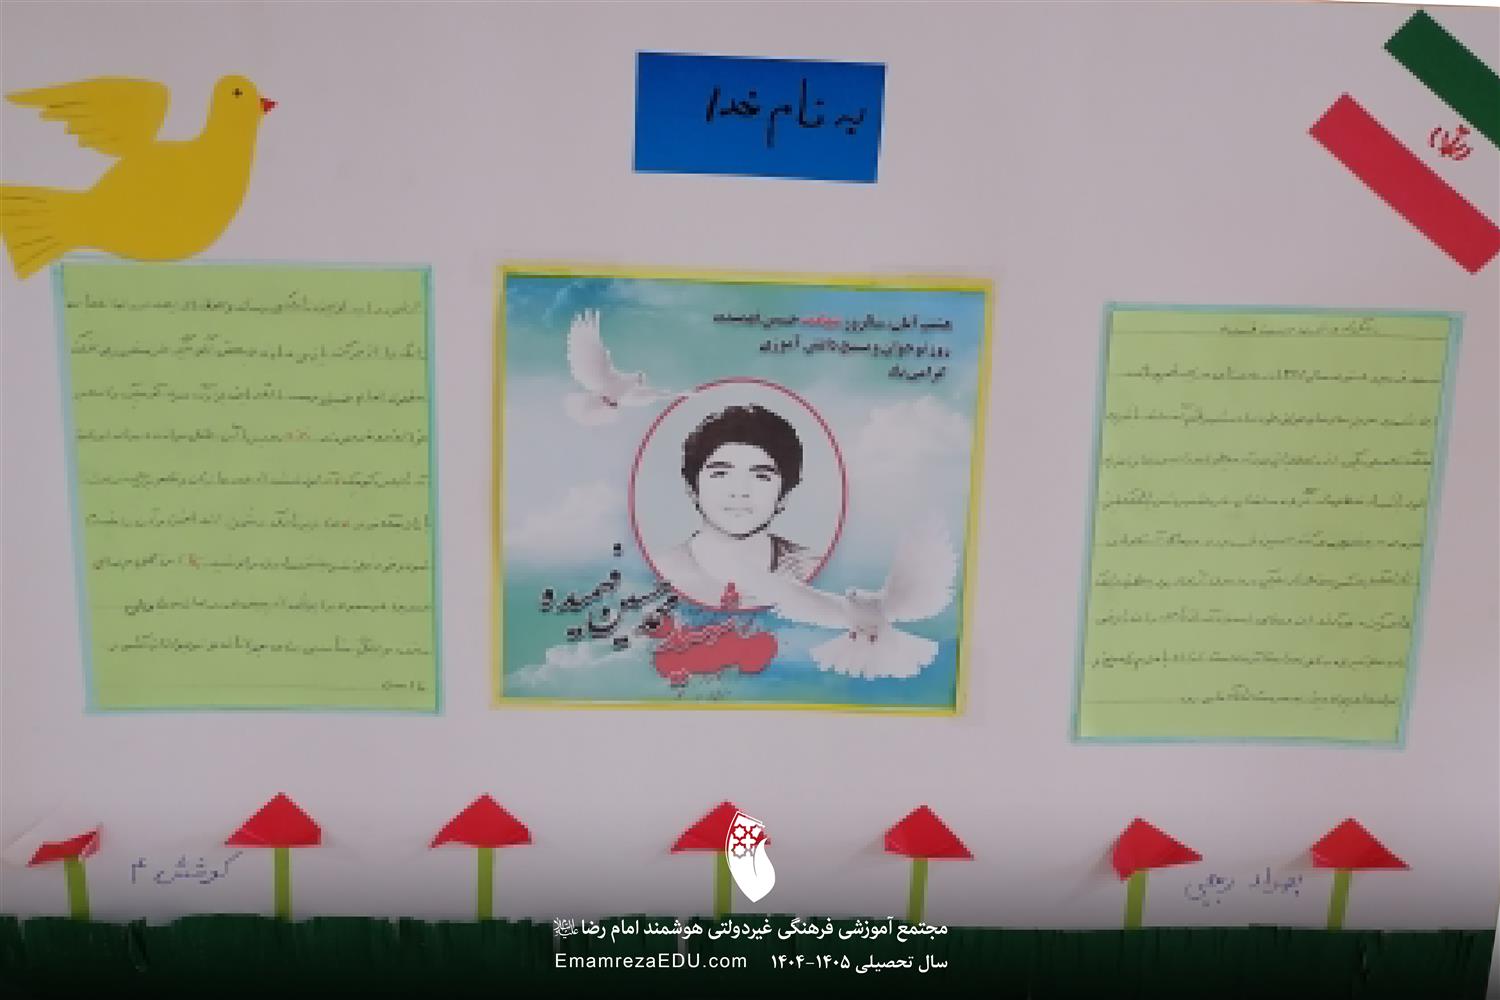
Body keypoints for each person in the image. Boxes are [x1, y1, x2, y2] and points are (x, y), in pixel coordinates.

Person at [653, 404, 819, 607]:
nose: (739, 491)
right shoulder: (660, 574)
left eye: (761, 476)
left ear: (785, 494)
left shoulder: (814, 573)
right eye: (720, 474)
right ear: (692, 487)